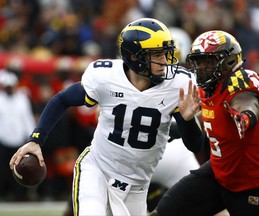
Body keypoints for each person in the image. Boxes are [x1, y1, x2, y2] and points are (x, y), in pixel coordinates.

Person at [10, 18, 204, 216]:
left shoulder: (178, 84)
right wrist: (36, 140)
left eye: (165, 53)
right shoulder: (106, 77)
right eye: (157, 55)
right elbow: (62, 100)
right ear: (135, 57)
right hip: (98, 171)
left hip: (137, 185)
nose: (164, 61)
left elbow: (195, 145)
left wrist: (188, 121)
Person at [150, 30, 259, 216]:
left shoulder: (241, 79)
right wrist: (179, 124)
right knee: (164, 212)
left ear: (228, 61)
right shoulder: (206, 90)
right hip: (218, 173)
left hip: (253, 184)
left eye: (208, 62)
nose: (201, 68)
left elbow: (246, 102)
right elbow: (207, 126)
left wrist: (245, 117)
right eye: (199, 62)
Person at [0, 70, 36, 201]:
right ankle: (3, 194)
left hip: (19, 140)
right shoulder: (0, 99)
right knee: (3, 170)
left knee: (21, 169)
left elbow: (27, 119)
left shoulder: (22, 99)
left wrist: (32, 138)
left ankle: (20, 195)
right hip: (3, 139)